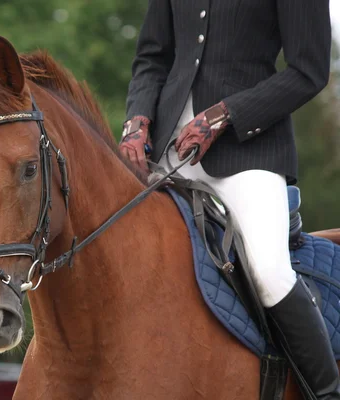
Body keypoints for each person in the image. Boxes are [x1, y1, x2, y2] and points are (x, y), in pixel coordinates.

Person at [121, 0, 338, 398]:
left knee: (268, 274)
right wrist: (137, 119)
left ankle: (327, 393)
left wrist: (225, 115)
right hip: (166, 151)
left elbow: (309, 71)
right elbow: (152, 58)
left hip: (248, 153)